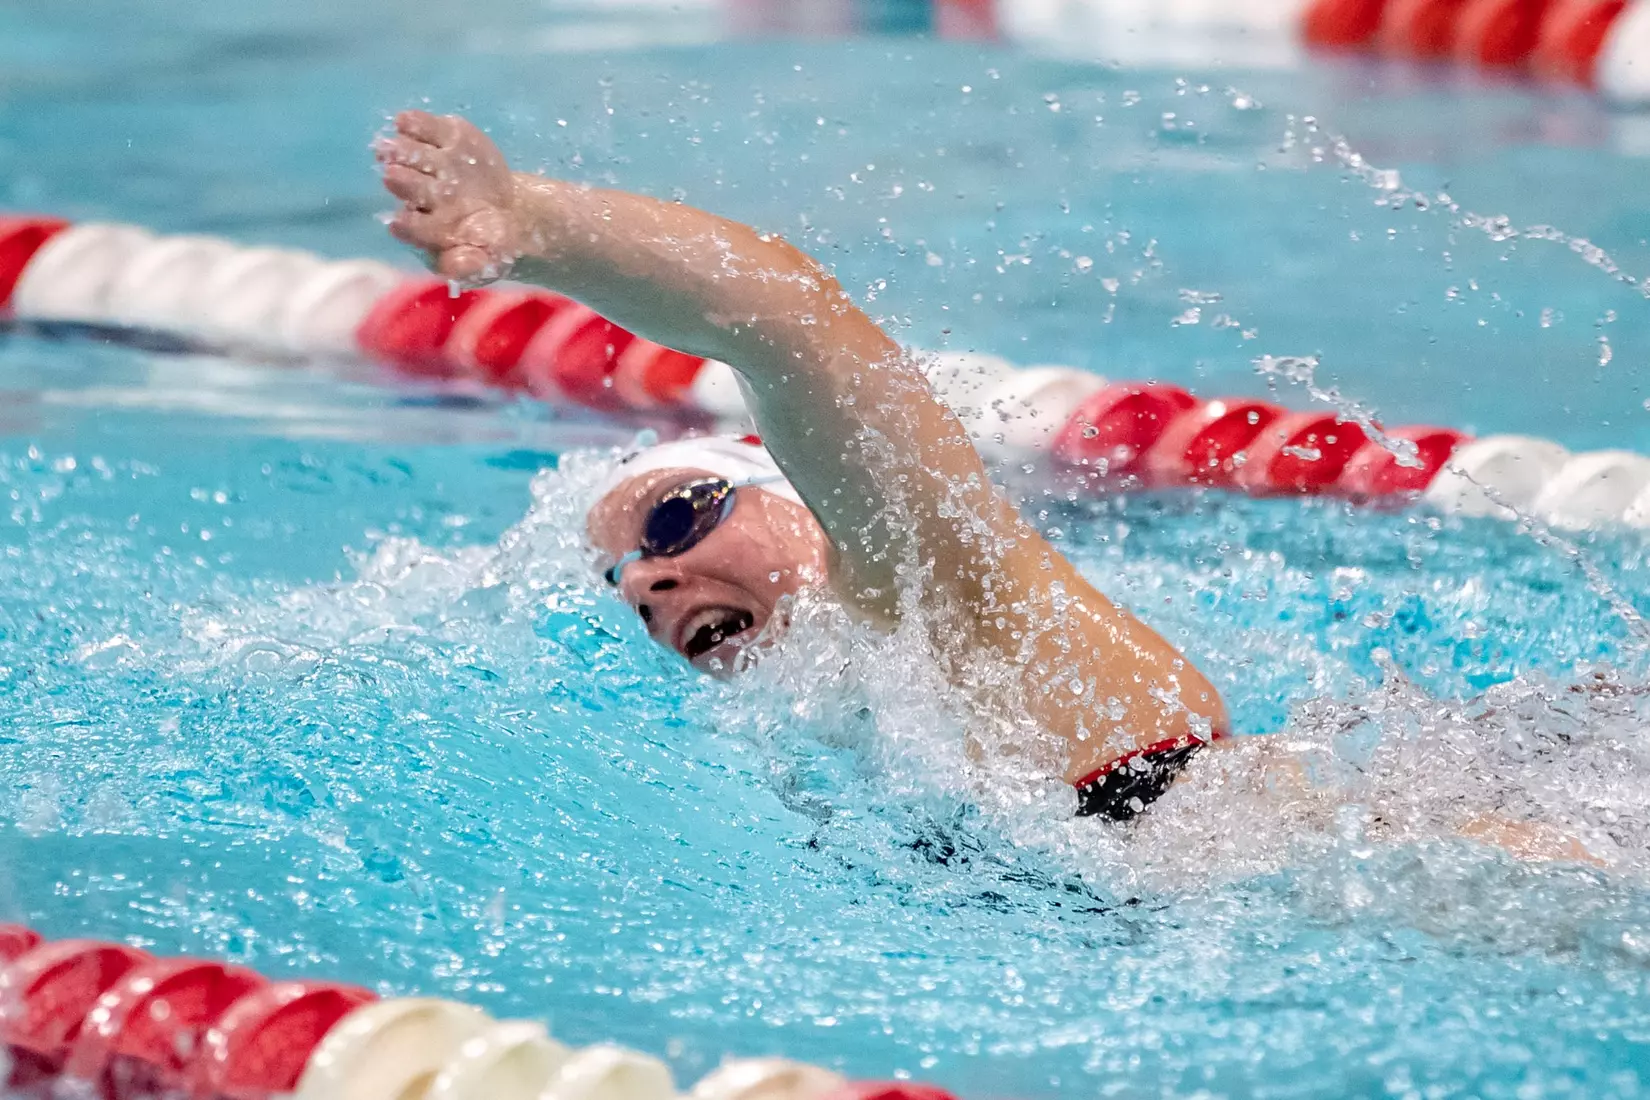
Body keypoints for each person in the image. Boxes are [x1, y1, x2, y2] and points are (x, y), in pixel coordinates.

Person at [369, 110, 1595, 862]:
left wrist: (534, 219)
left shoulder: (915, 585)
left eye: (678, 517)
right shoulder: (857, 712)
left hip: (1476, 860)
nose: (647, 575)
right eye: (624, 575)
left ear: (795, 492)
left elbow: (789, 323)